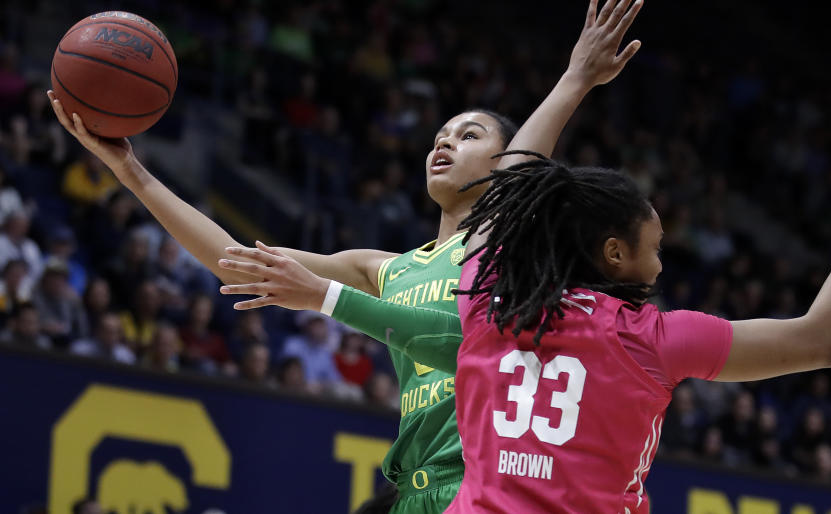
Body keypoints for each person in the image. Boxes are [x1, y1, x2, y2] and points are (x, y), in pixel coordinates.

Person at [48, 1, 645, 511]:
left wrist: (575, 80)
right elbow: (235, 262)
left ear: (502, 162)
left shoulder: (511, 243)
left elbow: (525, 170)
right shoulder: (385, 266)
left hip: (488, 481)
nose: (444, 141)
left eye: (469, 136)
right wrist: (130, 171)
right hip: (413, 489)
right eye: (440, 134)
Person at [227, 109, 831, 512]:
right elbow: (820, 340)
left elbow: (446, 319)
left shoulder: (488, 297)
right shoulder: (656, 337)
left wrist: (324, 295)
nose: (662, 265)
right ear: (616, 255)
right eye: (655, 247)